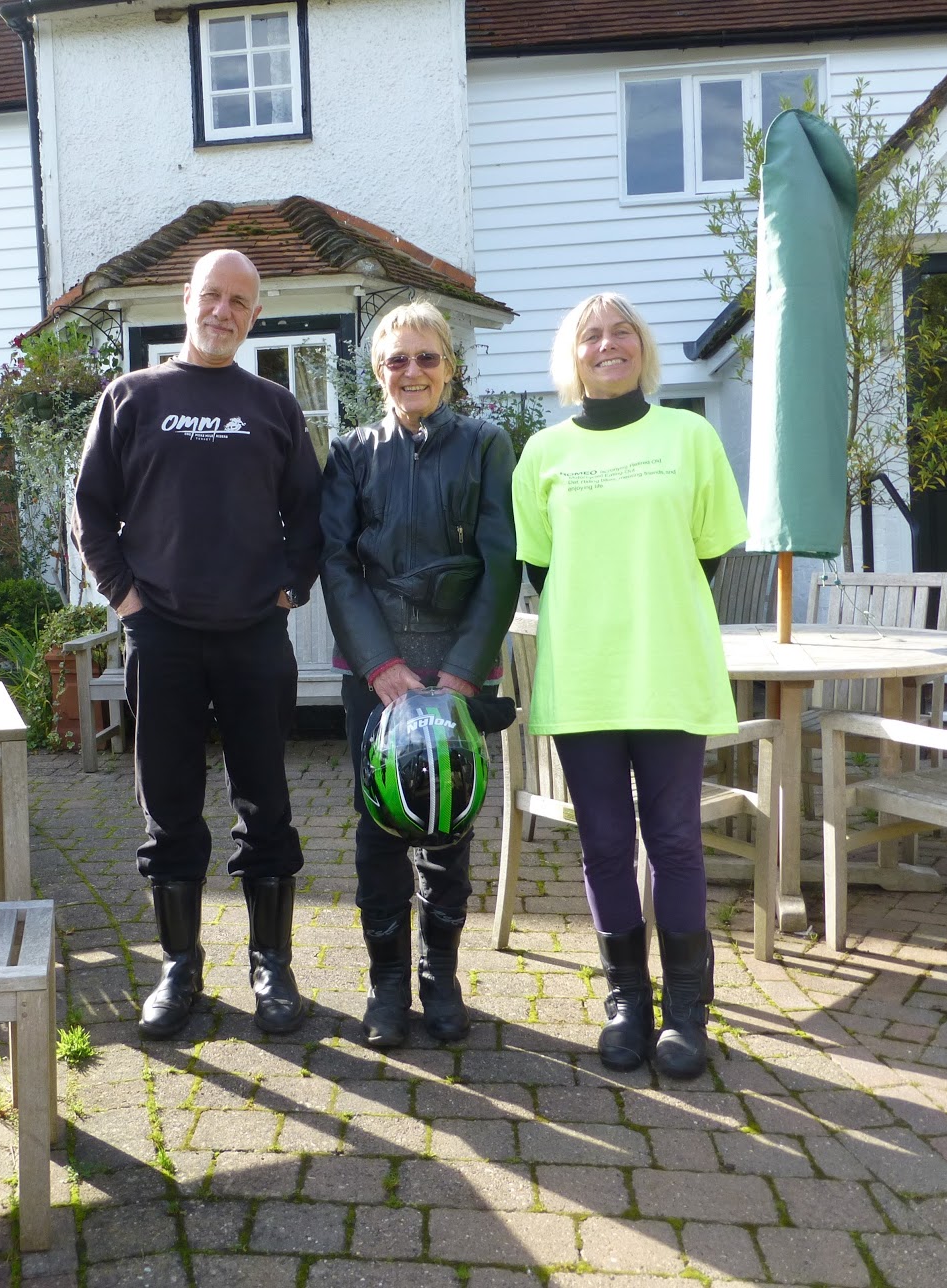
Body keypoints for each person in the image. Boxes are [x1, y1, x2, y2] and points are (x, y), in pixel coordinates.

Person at [72, 249, 323, 1041]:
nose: (223, 311)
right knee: (169, 810)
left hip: (255, 637)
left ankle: (271, 965)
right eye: (212, 295)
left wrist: (288, 589)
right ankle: (179, 967)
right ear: (186, 299)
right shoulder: (131, 397)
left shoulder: (274, 406)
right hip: (164, 638)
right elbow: (90, 510)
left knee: (267, 805)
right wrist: (127, 602)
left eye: (240, 301)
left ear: (256, 314)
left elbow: (309, 514)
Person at [511, 292, 747, 1080]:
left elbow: (708, 553)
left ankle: (686, 1009)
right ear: (571, 356)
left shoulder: (690, 436)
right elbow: (542, 568)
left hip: (669, 668)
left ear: (643, 348)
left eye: (622, 332)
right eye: (591, 335)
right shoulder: (542, 454)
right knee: (606, 844)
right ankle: (627, 1002)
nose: (608, 345)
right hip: (585, 676)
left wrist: (653, 605)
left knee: (674, 840)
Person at [320, 300, 519, 1047]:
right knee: (380, 825)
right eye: (397, 359)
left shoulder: (487, 444)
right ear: (378, 371)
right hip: (375, 669)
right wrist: (381, 666)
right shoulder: (351, 452)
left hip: (457, 663)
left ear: (450, 367)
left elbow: (503, 559)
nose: (413, 371)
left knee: (448, 822)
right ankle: (387, 984)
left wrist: (462, 675)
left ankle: (441, 976)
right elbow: (337, 563)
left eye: (427, 357)